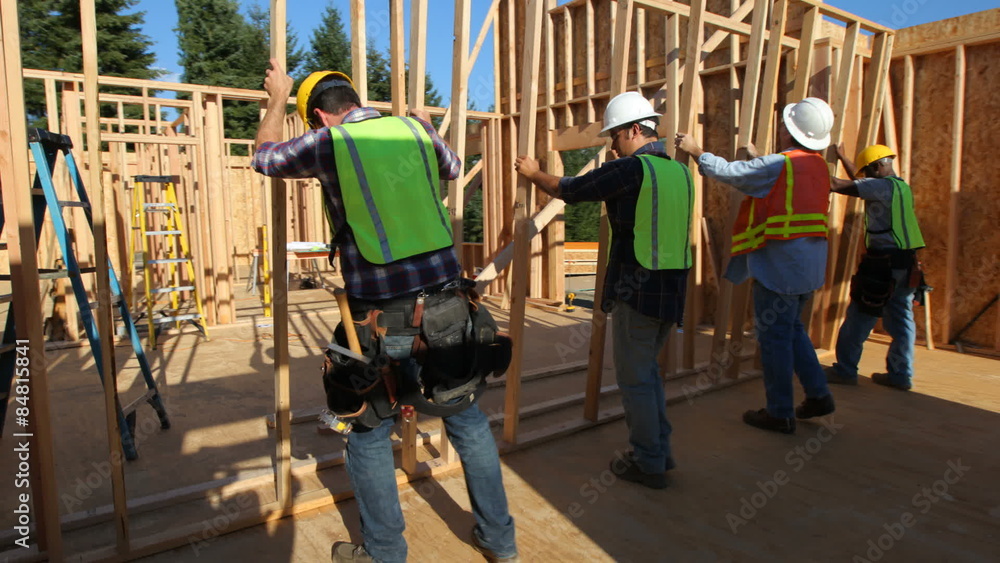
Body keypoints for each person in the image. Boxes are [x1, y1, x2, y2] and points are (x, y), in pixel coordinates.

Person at [253, 60, 518, 563]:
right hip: (447, 311)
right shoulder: (413, 131)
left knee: (369, 429)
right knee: (465, 419)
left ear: (319, 117)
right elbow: (454, 167)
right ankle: (501, 543)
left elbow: (265, 159)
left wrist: (275, 99)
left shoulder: (331, 142)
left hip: (380, 323)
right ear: (354, 99)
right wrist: (426, 126)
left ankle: (384, 554)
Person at [515, 91, 693, 489]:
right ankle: (659, 452)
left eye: (615, 135)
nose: (612, 144)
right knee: (648, 375)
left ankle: (649, 462)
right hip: (673, 289)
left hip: (640, 290)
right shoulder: (679, 171)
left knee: (635, 379)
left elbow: (572, 189)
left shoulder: (634, 170)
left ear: (634, 130)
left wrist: (533, 173)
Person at [674, 97, 836, 434]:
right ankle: (819, 395)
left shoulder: (781, 164)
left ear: (790, 131)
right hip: (808, 266)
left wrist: (695, 149)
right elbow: (779, 183)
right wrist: (759, 159)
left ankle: (779, 412)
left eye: (783, 124)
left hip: (781, 266)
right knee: (792, 331)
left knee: (775, 338)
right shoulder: (818, 165)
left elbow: (732, 174)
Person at [825, 144, 926, 391]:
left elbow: (837, 185)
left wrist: (802, 166)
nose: (866, 177)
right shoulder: (901, 186)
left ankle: (846, 370)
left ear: (877, 166)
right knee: (902, 321)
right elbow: (860, 183)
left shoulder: (878, 187)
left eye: (868, 171)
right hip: (906, 265)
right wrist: (843, 156)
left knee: (860, 316)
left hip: (883, 266)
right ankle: (901, 375)